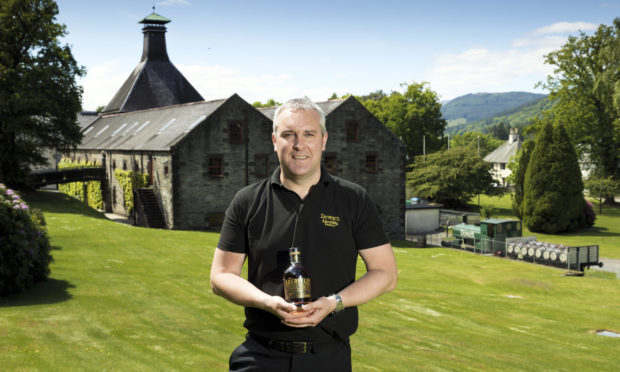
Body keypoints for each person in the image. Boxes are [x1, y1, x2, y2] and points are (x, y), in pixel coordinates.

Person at [210, 97, 398, 372]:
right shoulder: (247, 201)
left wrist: (333, 303)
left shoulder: (354, 199)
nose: (299, 144)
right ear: (275, 140)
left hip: (328, 358)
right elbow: (221, 276)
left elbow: (385, 274)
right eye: (289, 134)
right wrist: (267, 302)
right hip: (260, 356)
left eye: (309, 134)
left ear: (323, 140)